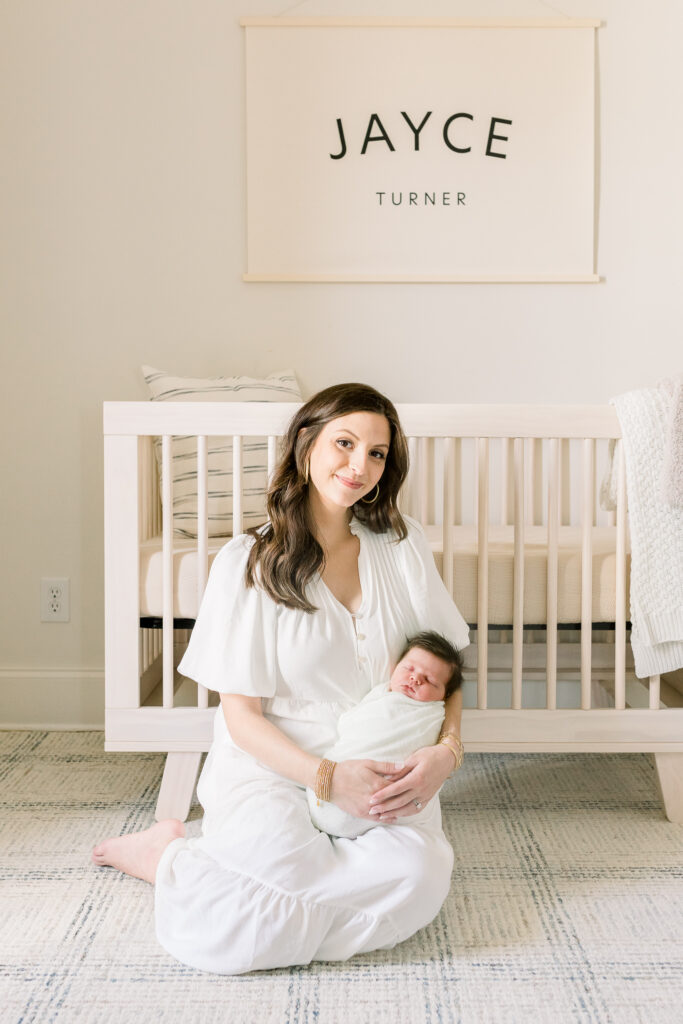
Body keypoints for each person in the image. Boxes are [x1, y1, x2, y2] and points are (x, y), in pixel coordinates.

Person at [92, 382, 469, 975]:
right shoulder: (246, 561)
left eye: (377, 453)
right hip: (275, 769)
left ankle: (273, 877)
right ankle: (167, 855)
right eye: (344, 443)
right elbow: (240, 717)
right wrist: (325, 777)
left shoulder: (402, 546)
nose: (359, 465)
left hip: (381, 773)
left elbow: (446, 672)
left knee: (420, 879)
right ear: (306, 443)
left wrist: (447, 753)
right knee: (235, 934)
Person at [308, 630, 464, 839]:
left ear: (444, 695)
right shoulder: (381, 694)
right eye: (409, 668)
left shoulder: (433, 714)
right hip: (338, 787)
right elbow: (352, 725)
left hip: (383, 805)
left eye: (429, 680)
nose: (415, 678)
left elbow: (347, 723)